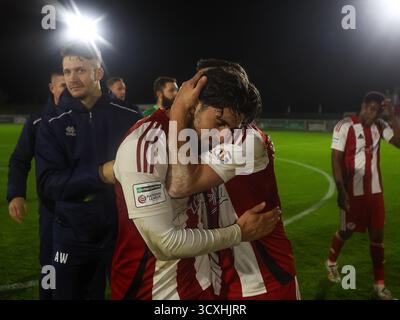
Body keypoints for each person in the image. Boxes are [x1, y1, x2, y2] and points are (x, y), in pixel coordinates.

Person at [111, 68, 280, 300]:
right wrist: (238, 233)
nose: (223, 136)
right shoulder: (145, 145)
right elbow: (165, 244)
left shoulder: (199, 139)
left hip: (203, 283)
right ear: (194, 103)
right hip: (156, 290)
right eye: (219, 122)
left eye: (230, 128)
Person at [166, 59, 299, 300]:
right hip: (219, 281)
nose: (195, 95)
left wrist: (177, 110)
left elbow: (180, 185)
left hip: (264, 281)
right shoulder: (196, 137)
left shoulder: (247, 140)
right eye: (194, 87)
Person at [35, 41, 142, 300]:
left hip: (123, 233)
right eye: (67, 71)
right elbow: (48, 183)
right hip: (73, 234)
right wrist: (100, 174)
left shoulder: (130, 117)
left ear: (98, 73)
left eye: (80, 70)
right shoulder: (52, 124)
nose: (72, 78)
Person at [325, 91, 400, 300]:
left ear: (379, 113)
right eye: (369, 107)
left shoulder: (381, 126)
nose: (371, 113)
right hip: (352, 193)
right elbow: (335, 158)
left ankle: (379, 286)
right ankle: (331, 263)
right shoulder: (345, 125)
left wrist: (392, 115)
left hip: (375, 194)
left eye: (376, 110)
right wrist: (341, 191)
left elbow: (399, 142)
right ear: (362, 105)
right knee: (346, 232)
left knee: (377, 238)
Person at [7, 71, 66, 300]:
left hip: (85, 208)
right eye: (61, 84)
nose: (66, 89)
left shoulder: (85, 118)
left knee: (87, 267)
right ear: (51, 87)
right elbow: (19, 160)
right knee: (50, 262)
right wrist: (16, 195)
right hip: (52, 209)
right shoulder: (37, 120)